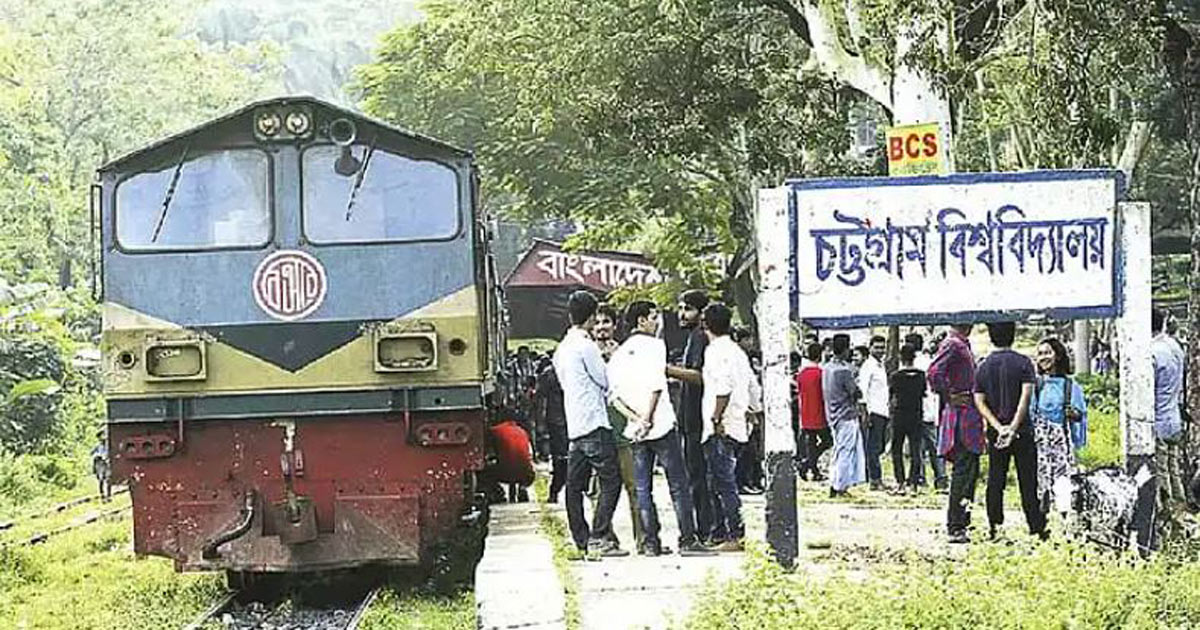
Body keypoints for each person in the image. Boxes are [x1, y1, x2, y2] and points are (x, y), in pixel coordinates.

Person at [607, 301, 714, 557]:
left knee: (643, 488)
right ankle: (688, 539)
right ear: (641, 321)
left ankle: (650, 542)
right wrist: (649, 417)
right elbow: (657, 385)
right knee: (678, 483)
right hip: (661, 425)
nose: (657, 322)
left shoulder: (619, 354)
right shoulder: (655, 345)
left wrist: (637, 420)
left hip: (635, 430)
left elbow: (614, 397)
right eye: (654, 317)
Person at [553, 291, 628, 558]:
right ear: (592, 315)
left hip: (575, 424)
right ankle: (600, 536)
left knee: (573, 486)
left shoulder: (562, 348)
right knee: (611, 481)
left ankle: (582, 539)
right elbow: (605, 380)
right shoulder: (587, 347)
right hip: (595, 423)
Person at [973, 322, 1044, 540]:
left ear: (992, 336)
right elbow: (1025, 397)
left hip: (997, 434)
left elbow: (979, 400)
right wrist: (1013, 427)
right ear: (1013, 335)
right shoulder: (1024, 363)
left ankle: (995, 527)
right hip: (1022, 431)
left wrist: (999, 427)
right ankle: (1036, 528)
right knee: (1028, 481)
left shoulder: (983, 366)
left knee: (996, 480)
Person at [698, 302, 759, 551]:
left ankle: (734, 535)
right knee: (723, 481)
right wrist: (754, 411)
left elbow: (722, 388)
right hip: (738, 425)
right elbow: (753, 387)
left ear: (706, 324)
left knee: (723, 484)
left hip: (720, 426)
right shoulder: (737, 352)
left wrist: (715, 419)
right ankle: (722, 533)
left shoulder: (715, 351)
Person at [1133, 309, 1184, 554]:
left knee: (1161, 474)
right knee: (1174, 471)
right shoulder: (1174, 346)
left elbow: (1147, 392)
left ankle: (1167, 523)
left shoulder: (1150, 353)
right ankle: (1181, 513)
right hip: (1175, 418)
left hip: (1159, 422)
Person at [665, 289, 714, 544]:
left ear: (701, 312)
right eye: (680, 308)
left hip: (696, 418)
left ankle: (705, 529)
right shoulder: (692, 338)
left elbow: (699, 376)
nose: (681, 314)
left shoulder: (699, 338)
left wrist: (667, 370)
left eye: (687, 309)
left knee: (698, 476)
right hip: (689, 417)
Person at [928, 323, 984, 544]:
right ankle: (956, 525)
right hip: (961, 416)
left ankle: (963, 521)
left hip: (969, 415)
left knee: (969, 471)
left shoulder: (961, 344)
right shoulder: (953, 344)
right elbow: (934, 373)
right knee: (963, 471)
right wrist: (949, 395)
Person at [593, 303, 643, 550]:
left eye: (606, 322)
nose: (601, 327)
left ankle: (643, 538)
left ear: (615, 325)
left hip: (623, 428)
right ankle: (607, 538)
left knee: (634, 486)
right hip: (598, 430)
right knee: (603, 488)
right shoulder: (586, 353)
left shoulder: (625, 353)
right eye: (598, 322)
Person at [1031, 337, 1088, 516]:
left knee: (1064, 484)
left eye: (1047, 353)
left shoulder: (1071, 386)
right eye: (1040, 354)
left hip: (1062, 445)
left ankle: (1064, 518)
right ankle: (1042, 519)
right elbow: (1030, 415)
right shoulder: (1036, 385)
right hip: (1040, 446)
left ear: (1058, 356)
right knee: (1040, 483)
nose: (1043, 357)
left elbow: (1081, 415)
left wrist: (1074, 414)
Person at [824, 333, 866, 498]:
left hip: (832, 414)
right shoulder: (844, 371)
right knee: (846, 451)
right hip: (846, 414)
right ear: (846, 349)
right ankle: (840, 486)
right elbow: (855, 393)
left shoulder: (827, 368)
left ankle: (835, 482)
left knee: (838, 449)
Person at [907, 332, 946, 490]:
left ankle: (920, 478)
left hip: (915, 411)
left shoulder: (909, 363)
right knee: (934, 446)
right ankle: (941, 478)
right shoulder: (929, 361)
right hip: (930, 409)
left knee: (918, 447)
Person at [888, 343, 926, 493]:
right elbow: (923, 393)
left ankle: (900, 482)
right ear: (914, 357)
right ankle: (914, 484)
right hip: (916, 414)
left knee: (896, 448)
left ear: (900, 357)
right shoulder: (921, 375)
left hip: (900, 414)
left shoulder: (895, 376)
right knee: (916, 449)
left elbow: (892, 396)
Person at [858, 335, 890, 490]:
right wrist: (865, 413)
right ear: (870, 348)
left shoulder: (880, 365)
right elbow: (862, 391)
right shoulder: (868, 366)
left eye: (882, 347)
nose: (880, 350)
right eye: (877, 347)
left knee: (880, 446)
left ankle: (872, 476)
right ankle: (874, 479)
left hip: (883, 411)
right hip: (873, 412)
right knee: (873, 447)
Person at [796, 341, 831, 481]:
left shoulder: (802, 374)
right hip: (819, 411)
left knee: (810, 442)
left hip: (805, 410)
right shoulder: (821, 373)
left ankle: (811, 467)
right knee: (827, 440)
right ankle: (808, 464)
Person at [536, 358, 569, 503]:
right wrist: (541, 422)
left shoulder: (550, 374)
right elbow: (541, 400)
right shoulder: (550, 374)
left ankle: (556, 491)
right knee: (561, 459)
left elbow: (540, 400)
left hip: (563, 419)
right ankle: (555, 491)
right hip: (560, 420)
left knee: (563, 459)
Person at [91, 429, 111, 502]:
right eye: (100, 437)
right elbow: (92, 453)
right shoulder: (97, 446)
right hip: (100, 464)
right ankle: (102, 495)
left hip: (107, 463)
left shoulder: (109, 446)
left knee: (108, 480)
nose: (102, 438)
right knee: (101, 480)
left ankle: (109, 495)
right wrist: (97, 456)